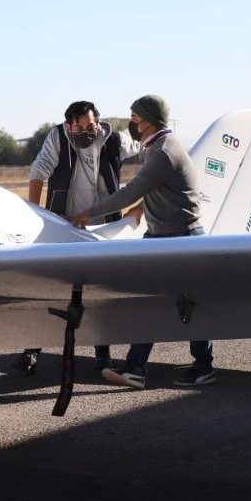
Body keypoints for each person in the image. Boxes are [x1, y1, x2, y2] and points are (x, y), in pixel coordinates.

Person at [68, 95, 215, 389]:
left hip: (179, 239)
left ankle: (198, 367)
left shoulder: (163, 152)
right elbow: (161, 193)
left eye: (135, 118)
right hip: (162, 238)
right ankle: (138, 367)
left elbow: (131, 191)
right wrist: (142, 209)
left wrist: (88, 213)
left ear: (148, 121)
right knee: (159, 301)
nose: (131, 123)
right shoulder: (158, 147)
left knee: (185, 303)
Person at [17, 101, 139, 373]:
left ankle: (103, 354)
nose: (86, 132)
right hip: (64, 226)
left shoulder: (114, 140)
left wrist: (141, 205)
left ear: (98, 123)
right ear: (69, 126)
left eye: (91, 126)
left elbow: (150, 147)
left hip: (103, 228)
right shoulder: (58, 138)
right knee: (48, 291)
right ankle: (32, 350)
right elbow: (39, 171)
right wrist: (35, 213)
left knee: (100, 293)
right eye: (80, 128)